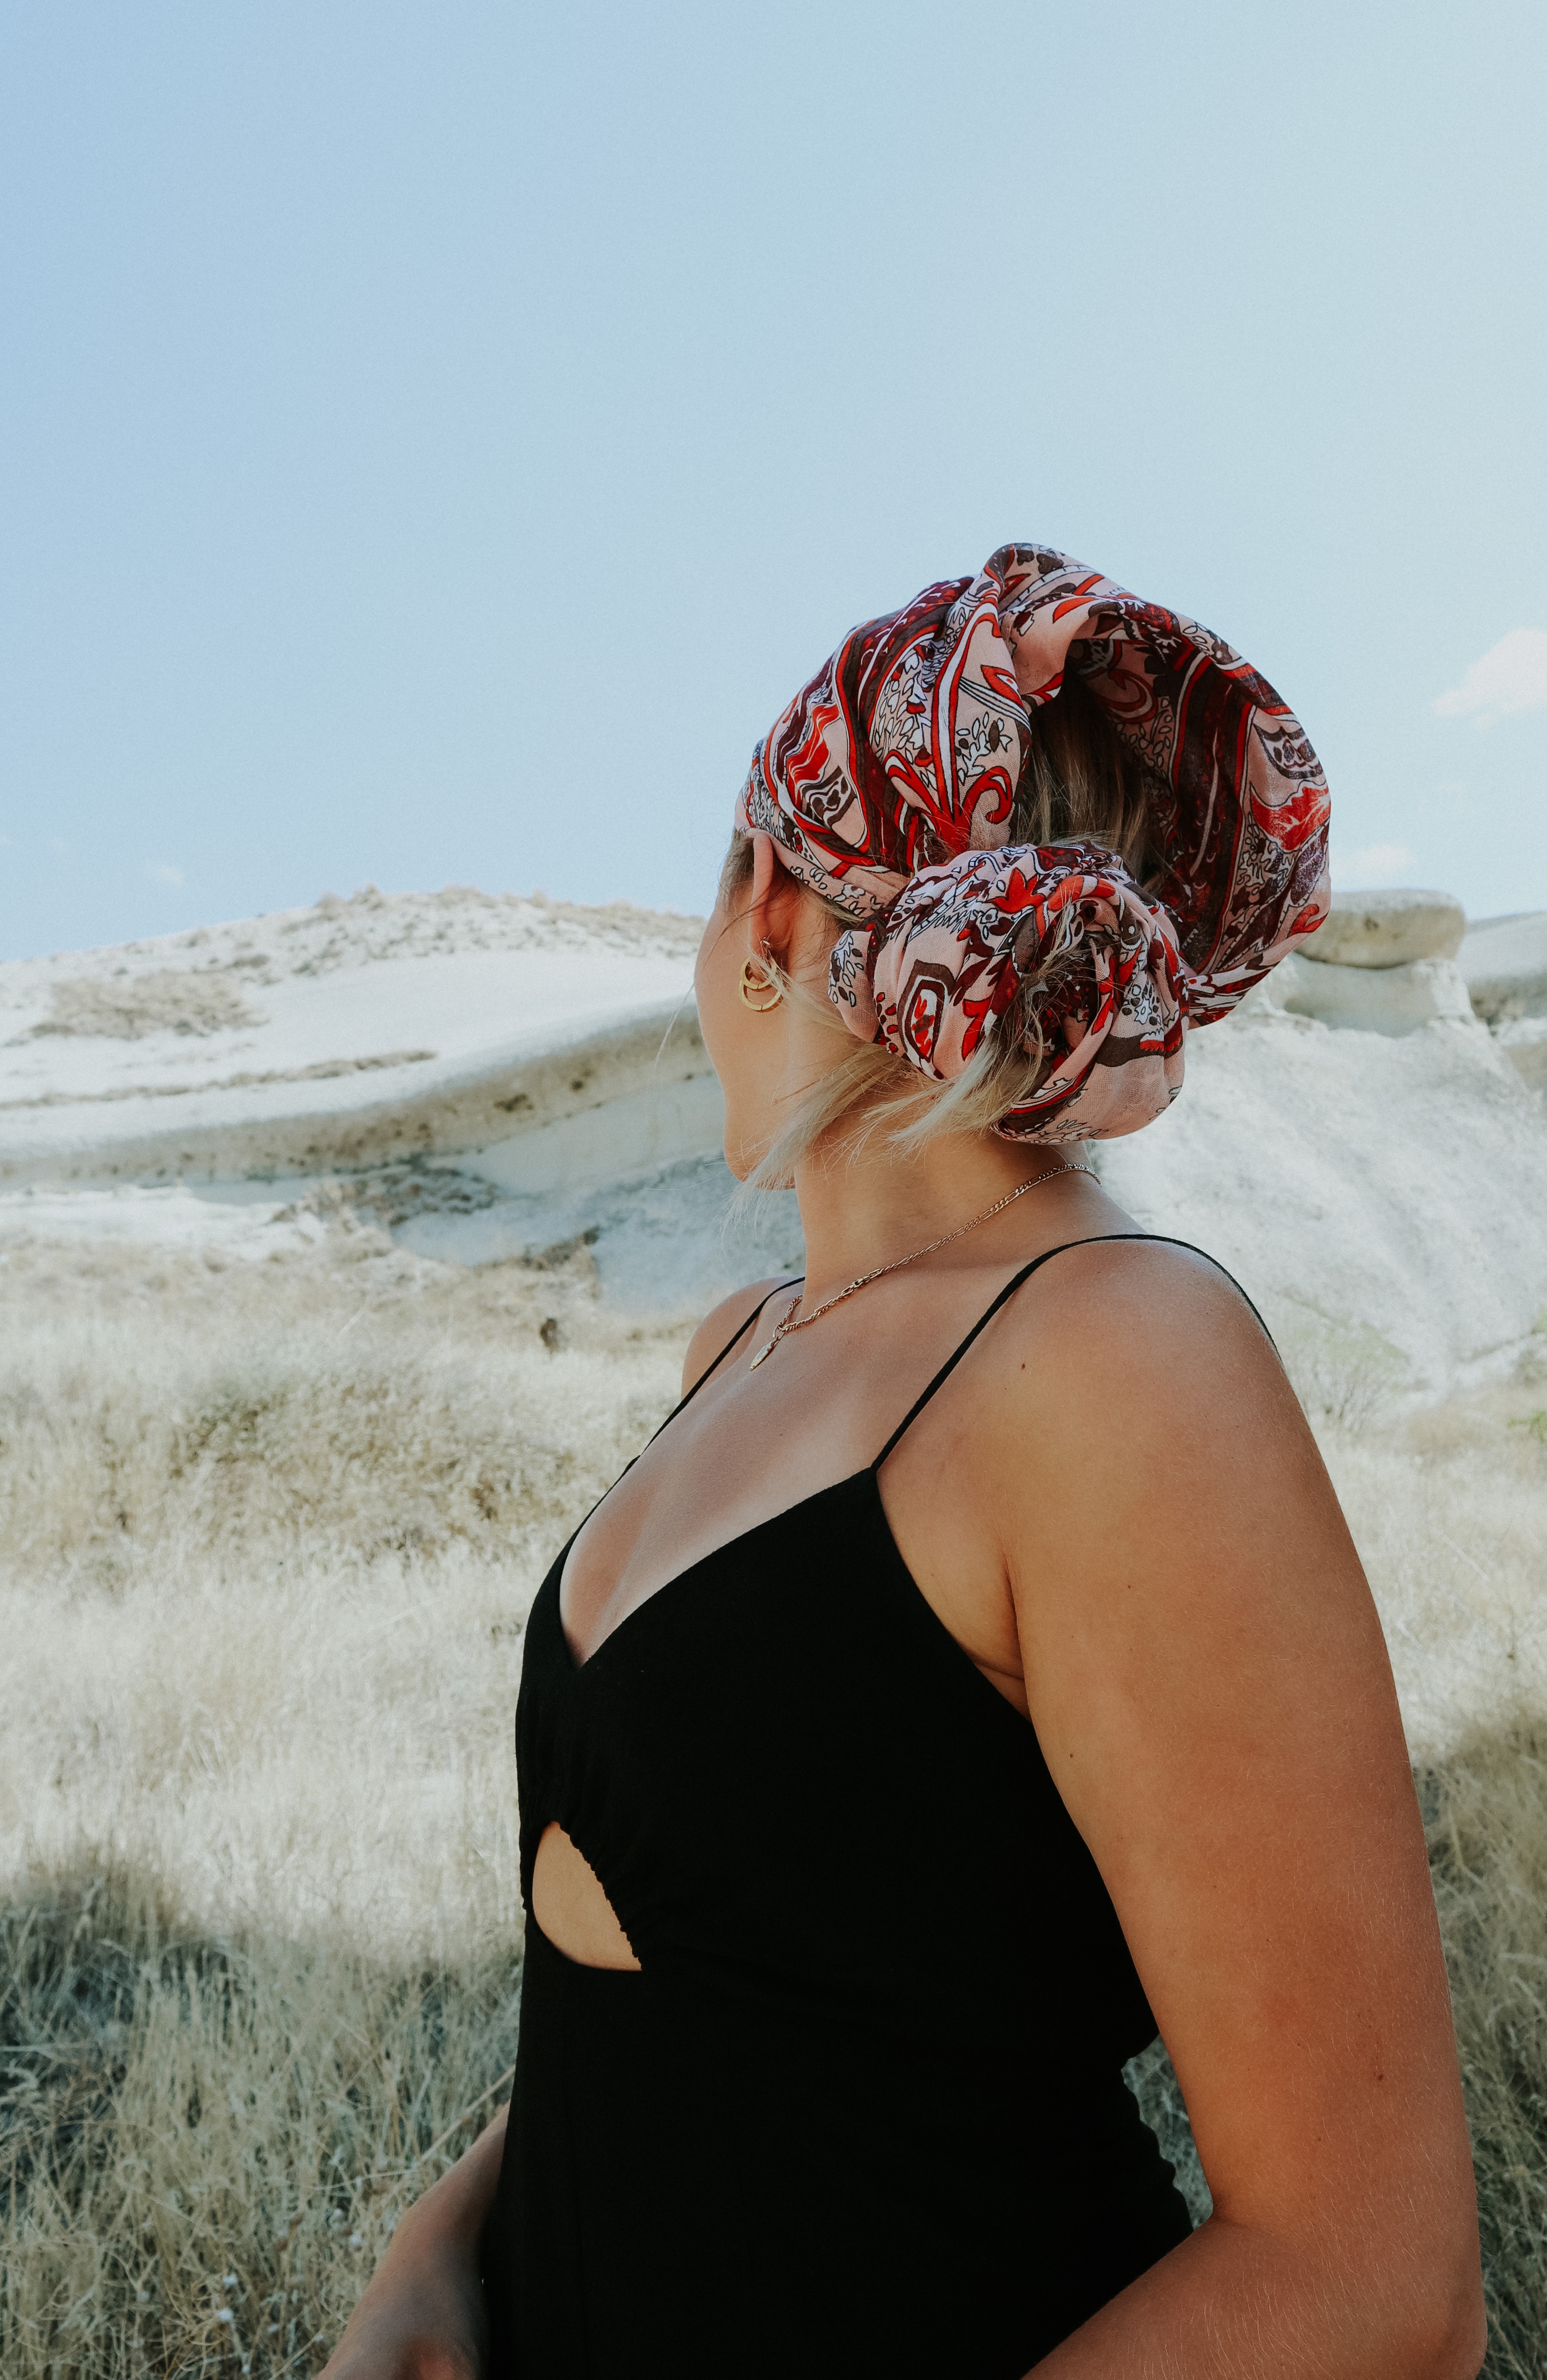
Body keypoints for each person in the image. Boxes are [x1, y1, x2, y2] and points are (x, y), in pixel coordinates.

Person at [323, 546, 1485, 2378]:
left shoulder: (1115, 1353)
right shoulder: (741, 1346)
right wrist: (445, 2240)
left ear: (770, 909)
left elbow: (1374, 2277)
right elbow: (745, 1973)